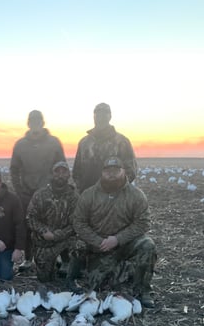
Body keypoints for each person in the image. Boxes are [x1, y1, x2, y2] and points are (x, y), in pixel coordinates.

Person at [70, 156, 157, 307]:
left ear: (124, 171)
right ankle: (122, 270)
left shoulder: (136, 195)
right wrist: (98, 241)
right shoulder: (89, 194)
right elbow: (78, 222)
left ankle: (143, 290)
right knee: (99, 285)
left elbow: (143, 223)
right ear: (102, 173)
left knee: (147, 244)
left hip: (126, 244)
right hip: (99, 246)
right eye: (108, 170)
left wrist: (118, 239)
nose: (112, 174)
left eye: (116, 170)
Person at [10, 110, 66, 272]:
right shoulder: (20, 145)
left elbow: (61, 167)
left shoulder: (54, 142)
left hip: (50, 193)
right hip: (27, 193)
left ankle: (57, 256)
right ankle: (28, 259)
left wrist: (59, 189)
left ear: (42, 123)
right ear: (28, 123)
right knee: (28, 225)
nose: (35, 123)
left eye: (38, 121)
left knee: (53, 225)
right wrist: (19, 190)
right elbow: (14, 169)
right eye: (32, 121)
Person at [26, 161, 78, 283]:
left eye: (64, 172)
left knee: (80, 247)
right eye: (57, 172)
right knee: (44, 279)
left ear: (68, 175)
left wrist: (57, 235)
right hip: (44, 241)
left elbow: (76, 223)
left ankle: (67, 263)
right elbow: (30, 217)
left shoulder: (74, 197)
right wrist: (44, 232)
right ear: (51, 174)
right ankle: (51, 262)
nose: (60, 175)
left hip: (65, 239)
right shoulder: (40, 194)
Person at [72, 103, 137, 193]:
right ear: (94, 117)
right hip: (87, 198)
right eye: (98, 114)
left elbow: (131, 171)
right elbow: (76, 172)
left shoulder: (121, 142)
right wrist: (83, 191)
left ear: (109, 117)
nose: (100, 117)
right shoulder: (84, 143)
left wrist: (116, 190)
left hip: (113, 199)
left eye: (104, 114)